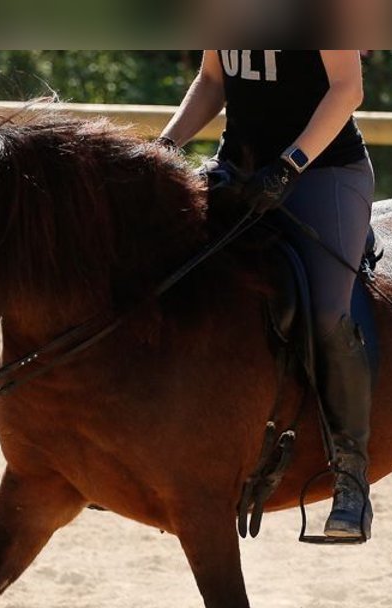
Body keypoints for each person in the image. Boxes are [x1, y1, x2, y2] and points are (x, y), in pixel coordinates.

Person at [159, 50, 376, 542]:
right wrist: (168, 143)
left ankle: (350, 475)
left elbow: (348, 89)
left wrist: (289, 165)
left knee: (325, 315)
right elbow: (213, 78)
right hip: (237, 169)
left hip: (323, 172)